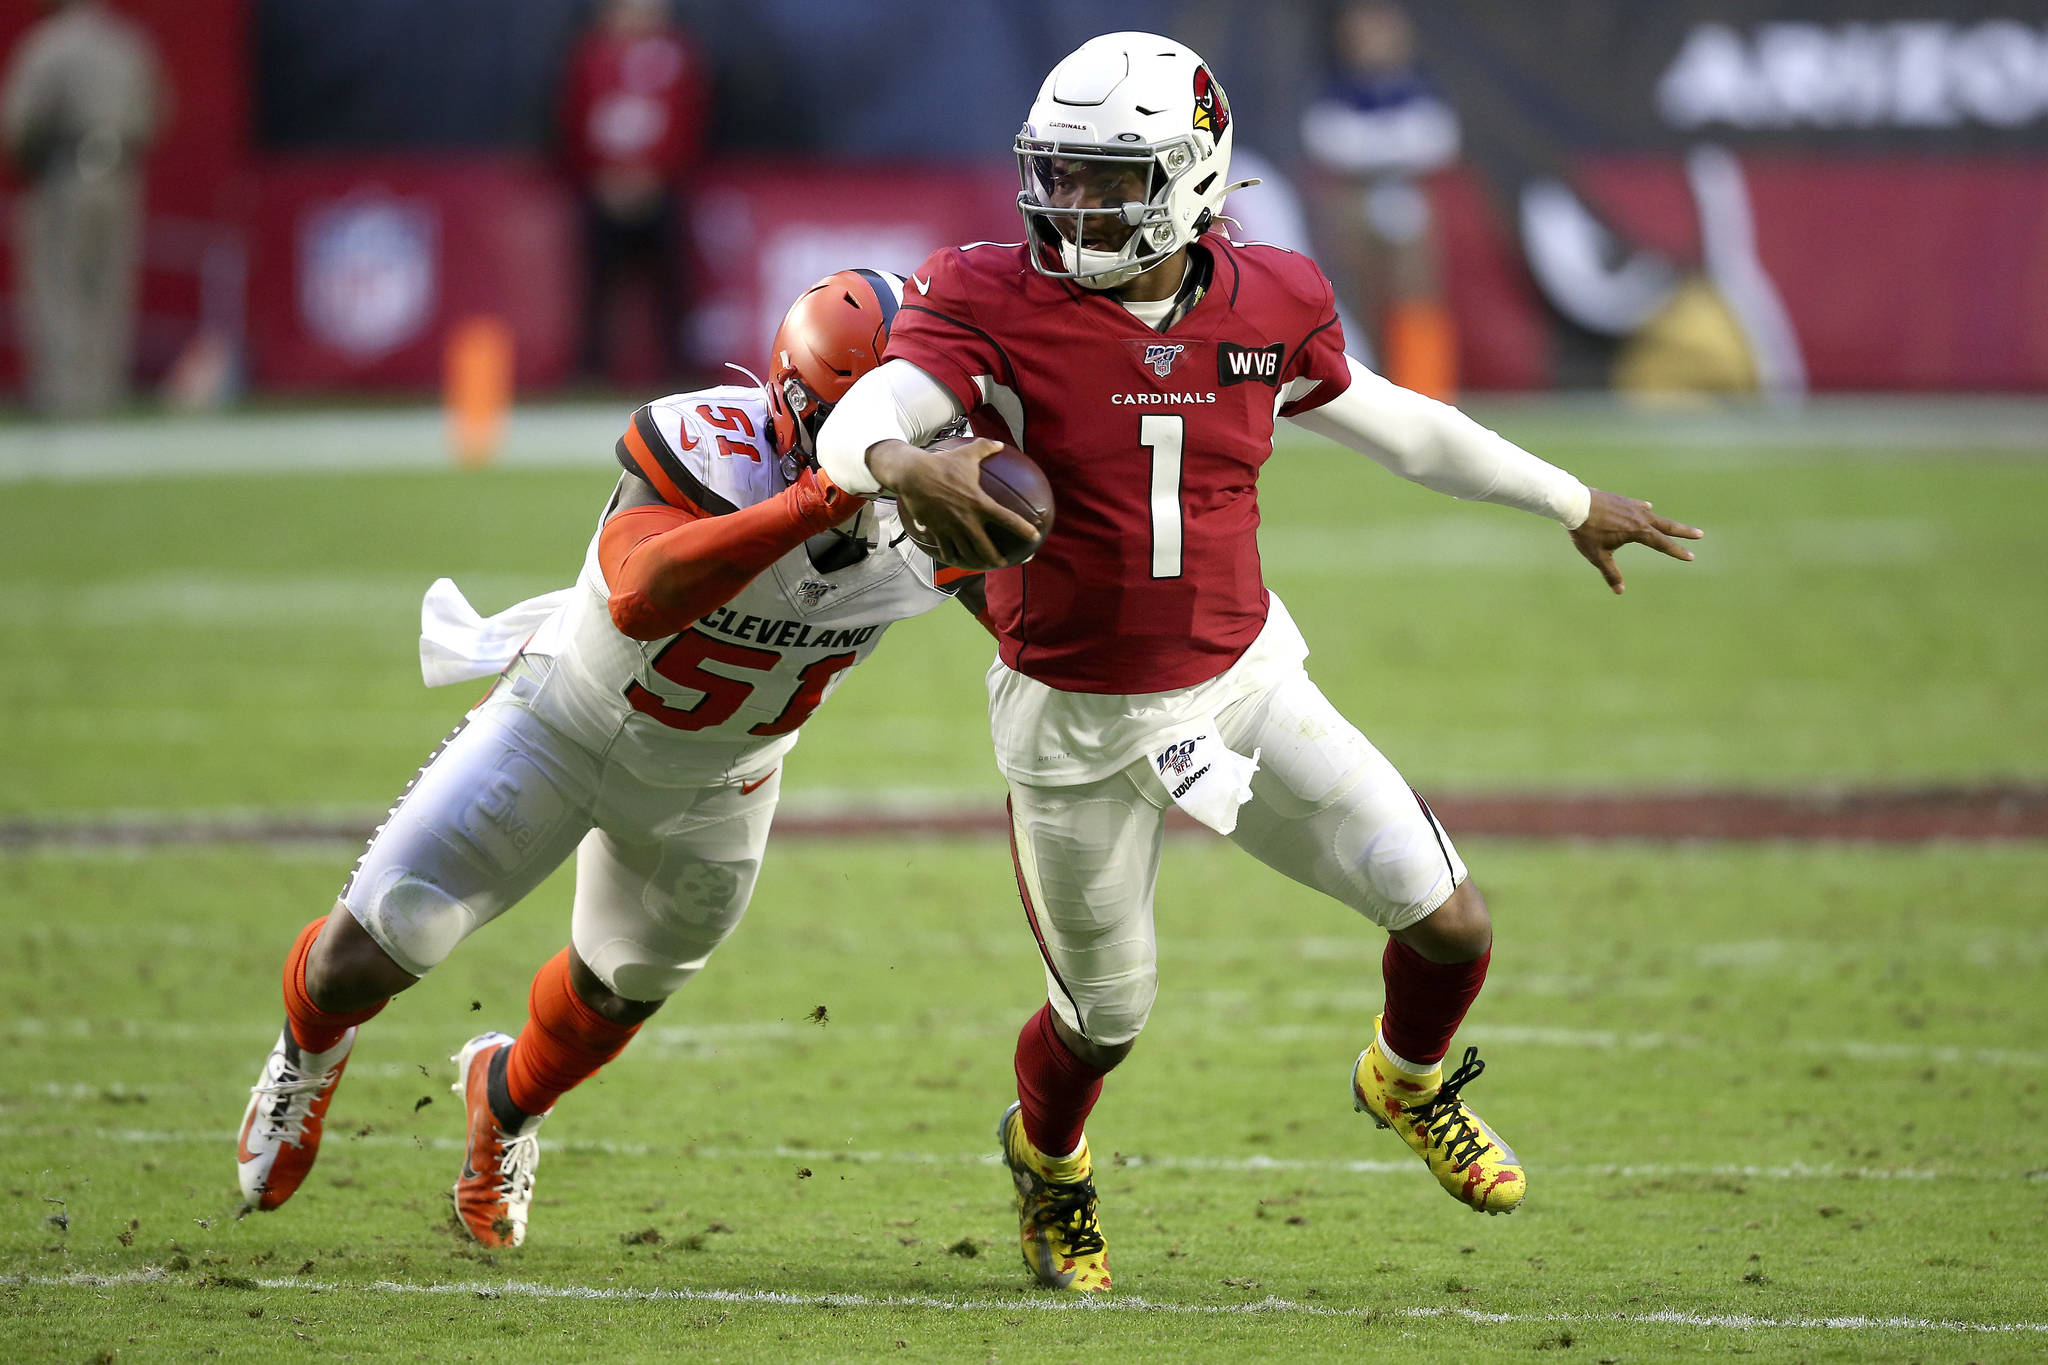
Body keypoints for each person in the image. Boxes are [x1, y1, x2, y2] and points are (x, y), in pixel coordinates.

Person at [816, 31, 1701, 1293]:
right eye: (1056, 172)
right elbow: (866, 417)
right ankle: (1048, 1163)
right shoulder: (984, 295)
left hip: (1241, 689)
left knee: (1449, 921)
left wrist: (1566, 498)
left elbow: (1401, 427)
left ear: (1188, 177)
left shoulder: (1270, 297)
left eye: (1105, 178)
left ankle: (1406, 1082)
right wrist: (903, 464)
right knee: (1100, 1021)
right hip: (1074, 723)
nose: (1069, 203)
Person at [236, 269, 989, 1248]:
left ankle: (503, 1105)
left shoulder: (942, 507)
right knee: (371, 948)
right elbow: (639, 594)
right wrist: (815, 501)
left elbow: (1038, 633)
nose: (902, 450)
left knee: (618, 987)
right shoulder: (708, 444)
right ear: (801, 407)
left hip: (720, 783)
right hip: (560, 724)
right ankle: (301, 1064)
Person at [0, 0, 162, 417]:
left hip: (63, 176)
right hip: (120, 175)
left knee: (59, 286)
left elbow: (20, 123)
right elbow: (154, 111)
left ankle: (65, 396)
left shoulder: (47, 45)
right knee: (108, 287)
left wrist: (31, 163)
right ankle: (103, 393)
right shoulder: (126, 43)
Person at [1298, 0, 1460, 400]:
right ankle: (1358, 383)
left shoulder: (1421, 86)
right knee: (1356, 290)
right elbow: (1329, 143)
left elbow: (1439, 141)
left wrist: (1382, 152)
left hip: (1405, 193)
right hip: (1354, 196)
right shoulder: (1333, 89)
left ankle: (1426, 387)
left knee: (1416, 291)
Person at [557, 0, 710, 385]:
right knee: (597, 285)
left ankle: (680, 369)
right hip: (603, 189)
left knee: (673, 284)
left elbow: (688, 120)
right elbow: (574, 118)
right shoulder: (591, 56)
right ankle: (591, 370)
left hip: (660, 189)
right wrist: (599, 174)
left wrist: (658, 174)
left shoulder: (676, 55)